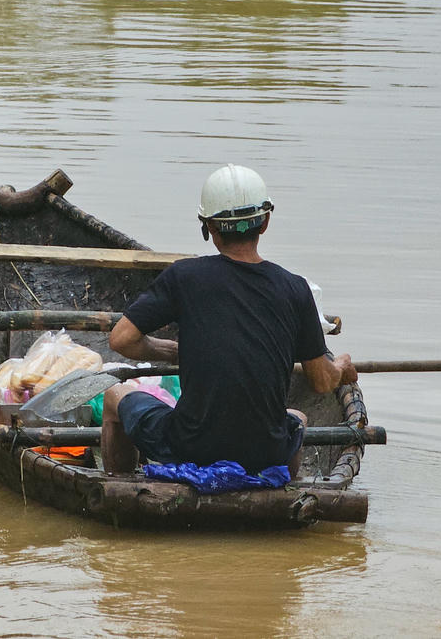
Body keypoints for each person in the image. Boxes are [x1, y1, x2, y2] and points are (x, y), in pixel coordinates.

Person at [101, 164, 358, 476]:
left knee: (115, 397)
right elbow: (321, 381)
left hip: (190, 446)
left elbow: (121, 339)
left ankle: (120, 485)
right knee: (297, 419)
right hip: (266, 450)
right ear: (264, 222)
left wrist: (171, 351)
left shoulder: (185, 277)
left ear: (209, 227)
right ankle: (282, 492)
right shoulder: (295, 288)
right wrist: (341, 368)